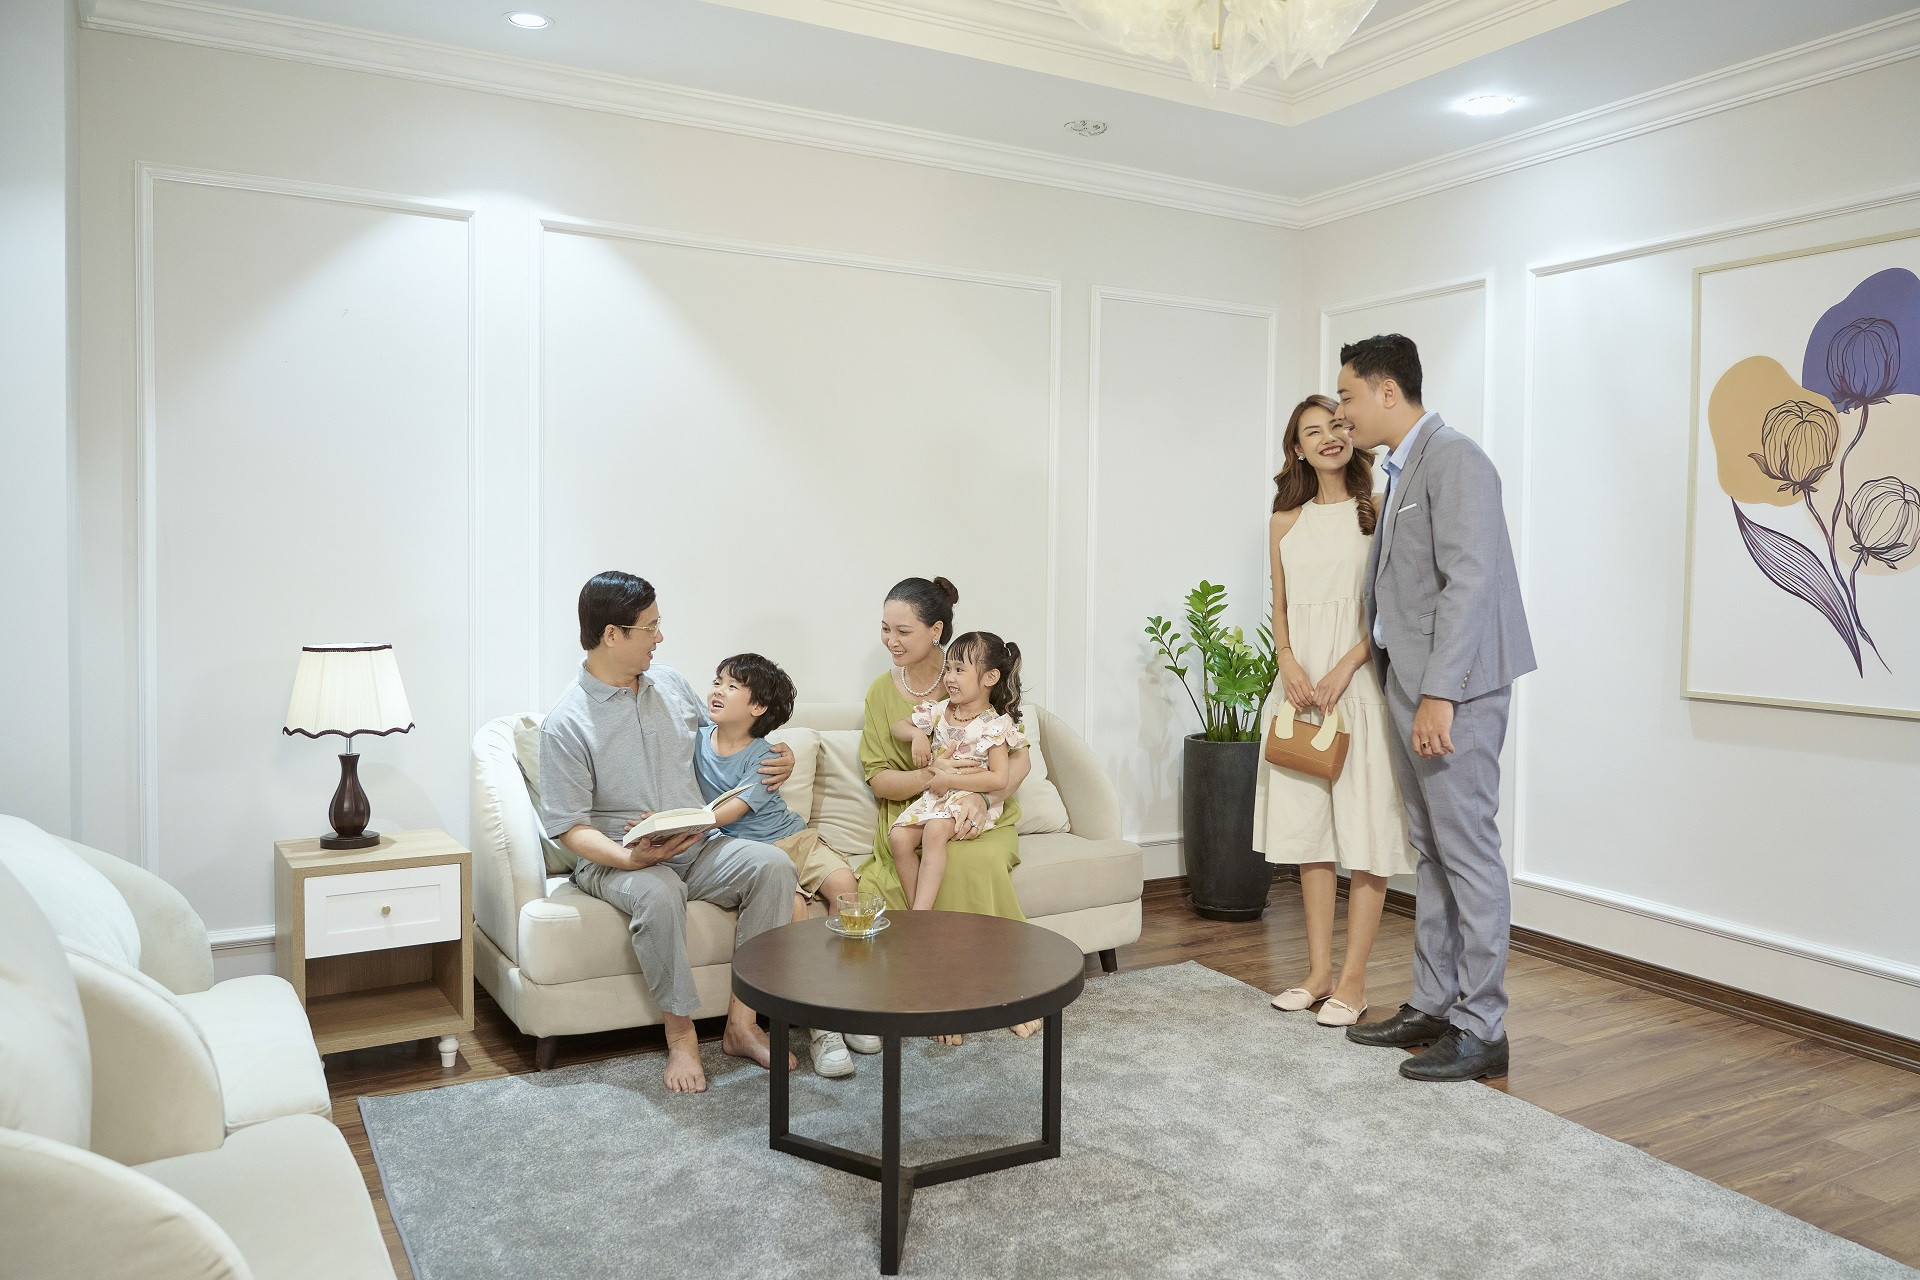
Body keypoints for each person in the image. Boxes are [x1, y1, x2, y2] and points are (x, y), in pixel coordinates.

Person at [1333, 335, 1535, 1083]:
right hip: (1409, 682)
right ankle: (1434, 1003)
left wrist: (1440, 695)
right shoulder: (1403, 466)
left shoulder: (1456, 461)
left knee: (1468, 850)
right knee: (1432, 847)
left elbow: (1471, 583)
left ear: (1388, 392)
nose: (1342, 413)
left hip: (1455, 692)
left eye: (1349, 397)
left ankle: (1483, 1027)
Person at [538, 571, 801, 1095]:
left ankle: (742, 1025)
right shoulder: (566, 723)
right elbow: (567, 827)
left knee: (773, 866)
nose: (660, 637)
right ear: (612, 634)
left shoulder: (672, 685)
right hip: (617, 857)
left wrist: (779, 755)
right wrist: (628, 859)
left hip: (695, 845)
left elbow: (730, 737)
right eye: (650, 627)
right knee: (659, 893)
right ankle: (681, 1038)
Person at [1254, 394, 1416, 1029]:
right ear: (1296, 449)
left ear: (1350, 435)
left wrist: (1346, 666)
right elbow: (1280, 606)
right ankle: (1318, 973)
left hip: (1358, 688)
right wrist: (1288, 665)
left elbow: (1387, 608)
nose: (1327, 437)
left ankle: (1354, 981)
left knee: (1367, 834)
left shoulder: (1379, 509)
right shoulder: (1283, 522)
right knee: (1310, 838)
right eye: (1311, 431)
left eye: (1335, 425)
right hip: (1298, 694)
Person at [857, 576, 1039, 1043]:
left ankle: (1005, 987)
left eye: (903, 631)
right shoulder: (881, 693)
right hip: (919, 806)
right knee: (916, 856)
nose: (891, 641)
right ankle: (942, 991)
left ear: (935, 630)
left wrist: (982, 796)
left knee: (975, 863)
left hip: (981, 807)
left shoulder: (970, 672)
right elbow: (879, 779)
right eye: (885, 629)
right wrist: (931, 776)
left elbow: (1019, 758)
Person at [693, 651, 879, 1079]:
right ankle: (822, 1027)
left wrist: (695, 820)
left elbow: (736, 807)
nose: (717, 690)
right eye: (717, 681)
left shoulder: (766, 755)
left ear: (758, 707)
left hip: (794, 837)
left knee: (846, 886)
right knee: (793, 908)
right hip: (755, 853)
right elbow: (728, 817)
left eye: (732, 686)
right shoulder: (696, 740)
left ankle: (850, 1003)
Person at [888, 631, 1028, 911]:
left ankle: (920, 914)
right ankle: (919, 911)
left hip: (967, 800)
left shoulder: (993, 726)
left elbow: (999, 777)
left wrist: (949, 779)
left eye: (960, 670)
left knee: (934, 831)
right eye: (948, 669)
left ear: (990, 678)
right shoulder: (941, 711)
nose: (950, 678)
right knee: (898, 837)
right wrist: (917, 735)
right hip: (937, 796)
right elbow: (897, 727)